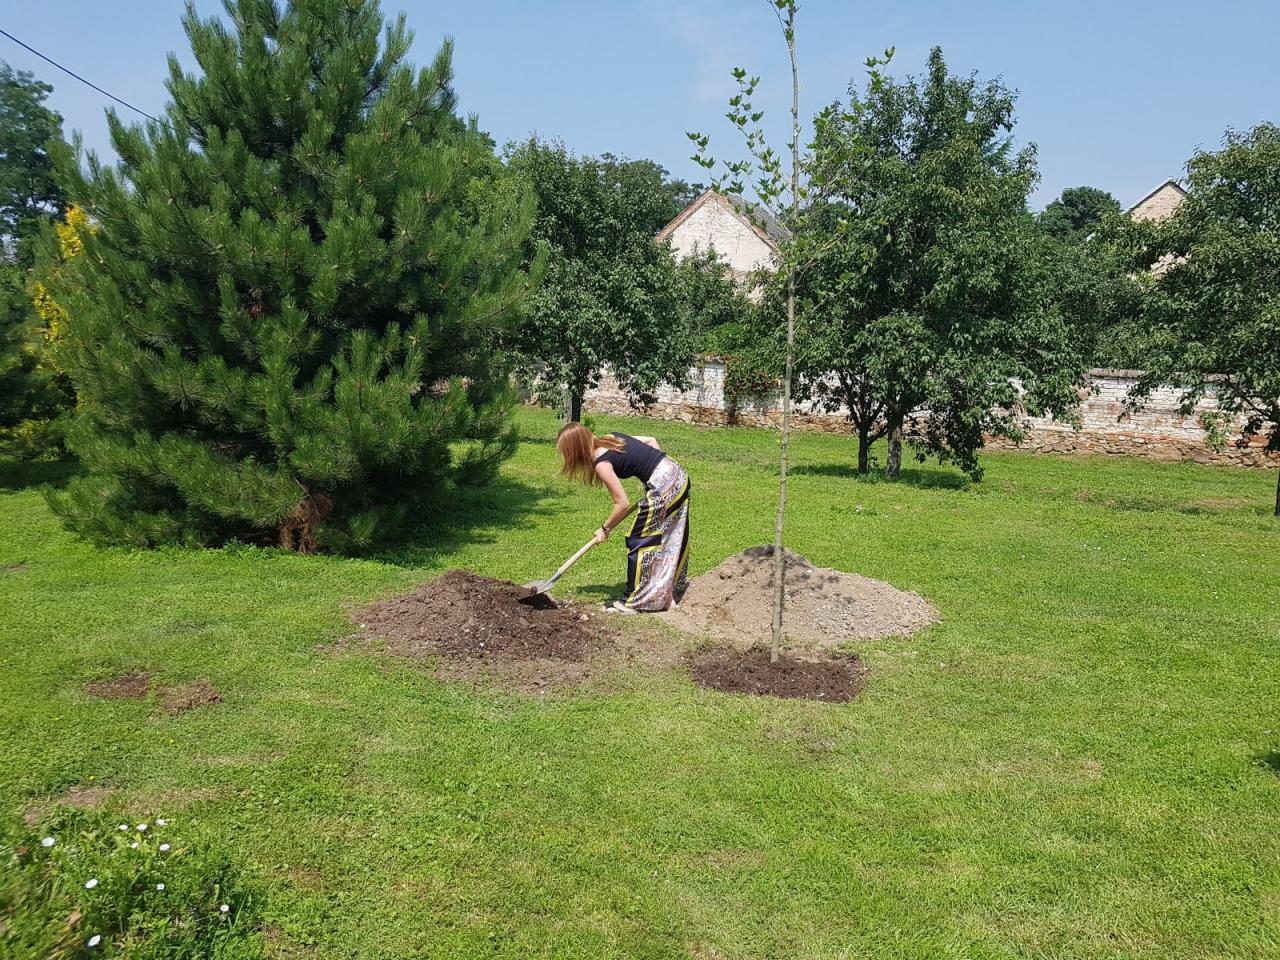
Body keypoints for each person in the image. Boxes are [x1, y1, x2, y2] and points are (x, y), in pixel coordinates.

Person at [556, 422, 690, 613]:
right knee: (667, 536)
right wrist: (654, 475)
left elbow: (622, 504)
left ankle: (634, 602)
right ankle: (667, 595)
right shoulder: (613, 438)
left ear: (575, 450)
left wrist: (605, 529)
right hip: (678, 474)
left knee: (639, 538)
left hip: (665, 486)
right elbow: (651, 441)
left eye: (566, 452)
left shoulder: (601, 463)